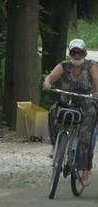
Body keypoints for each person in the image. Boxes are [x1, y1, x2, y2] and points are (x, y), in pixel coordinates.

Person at [43, 38, 98, 187]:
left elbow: (96, 82)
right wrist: (47, 82)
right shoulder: (63, 66)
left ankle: (85, 168)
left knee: (86, 136)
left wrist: (96, 93)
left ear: (85, 53)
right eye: (74, 52)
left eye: (79, 52)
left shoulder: (91, 66)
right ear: (70, 53)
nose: (77, 56)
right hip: (67, 102)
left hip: (86, 104)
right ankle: (55, 144)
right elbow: (50, 77)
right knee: (53, 111)